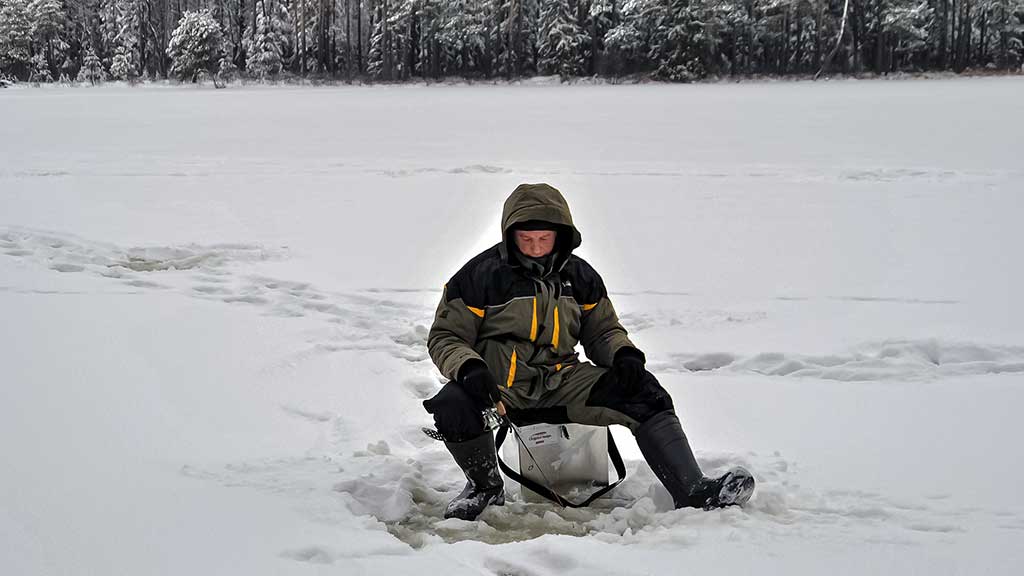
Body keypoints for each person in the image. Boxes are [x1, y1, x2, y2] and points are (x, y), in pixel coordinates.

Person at [423, 183, 753, 520]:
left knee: (645, 393)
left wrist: (623, 354)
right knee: (452, 404)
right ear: (510, 235)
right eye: (526, 239)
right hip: (500, 388)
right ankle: (485, 488)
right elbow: (446, 337)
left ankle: (692, 491)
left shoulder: (581, 276)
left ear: (562, 236)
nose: (535, 247)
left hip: (562, 382)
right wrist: (469, 368)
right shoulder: (478, 277)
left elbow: (603, 331)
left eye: (544, 239)